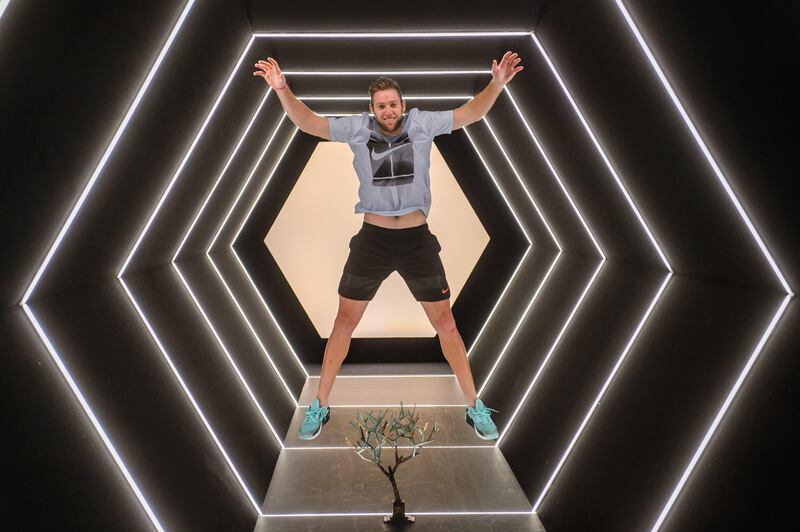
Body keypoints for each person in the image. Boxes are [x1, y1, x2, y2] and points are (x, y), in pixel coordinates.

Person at [252, 51, 523, 441]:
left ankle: (474, 407)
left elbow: (469, 113)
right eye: (382, 106)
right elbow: (308, 122)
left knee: (445, 323)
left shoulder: (422, 123)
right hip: (373, 239)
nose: (388, 111)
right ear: (372, 109)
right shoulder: (358, 129)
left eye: (393, 104)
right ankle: (319, 406)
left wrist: (496, 84)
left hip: (417, 239)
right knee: (344, 323)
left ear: (402, 105)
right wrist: (282, 90)